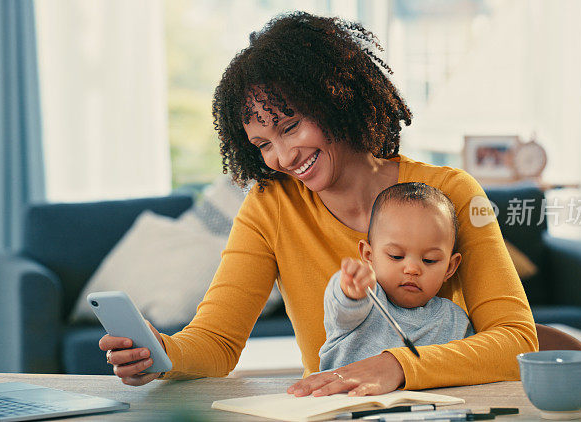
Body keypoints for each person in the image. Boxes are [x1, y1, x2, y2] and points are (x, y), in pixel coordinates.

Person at [99, 11, 537, 397]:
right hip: (332, 410)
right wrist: (162, 352)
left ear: (335, 98)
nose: (283, 157)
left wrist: (397, 366)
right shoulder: (269, 206)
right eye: (263, 144)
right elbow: (217, 342)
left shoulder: (452, 192)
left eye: (290, 126)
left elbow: (518, 339)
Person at [318, 182, 474, 374]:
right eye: (396, 256)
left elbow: (468, 369)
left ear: (450, 267)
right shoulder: (366, 298)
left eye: (429, 260)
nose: (412, 269)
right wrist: (350, 290)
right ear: (368, 256)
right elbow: (343, 308)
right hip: (345, 400)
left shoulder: (456, 321)